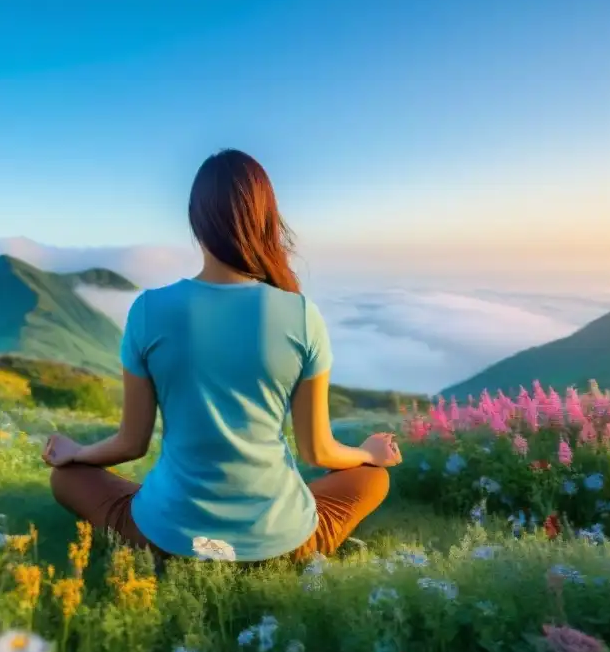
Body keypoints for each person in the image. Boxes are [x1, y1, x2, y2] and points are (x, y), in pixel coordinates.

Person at [44, 149, 402, 562]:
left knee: (66, 478)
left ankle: (172, 538)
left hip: (169, 537)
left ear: (196, 221)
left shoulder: (148, 310)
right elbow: (318, 453)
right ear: (267, 219)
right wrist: (368, 454)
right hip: (283, 541)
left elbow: (131, 443)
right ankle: (284, 546)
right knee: (371, 480)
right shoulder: (301, 314)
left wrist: (77, 453)